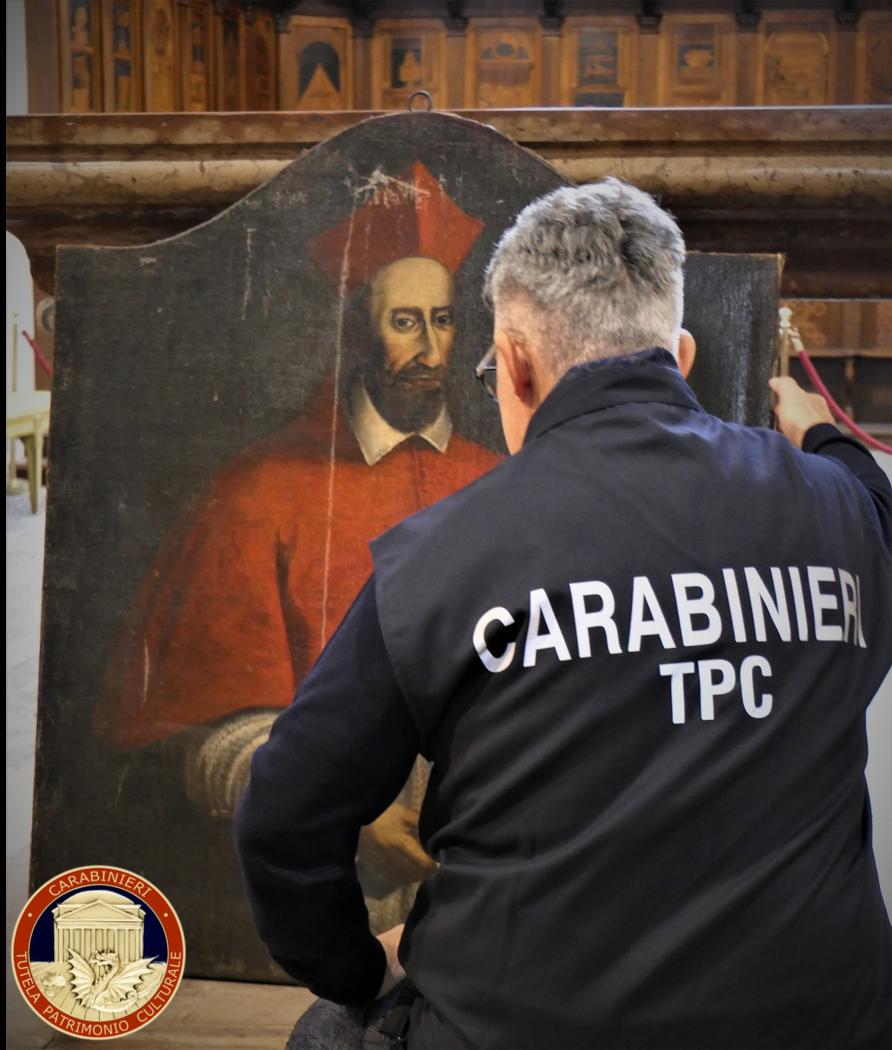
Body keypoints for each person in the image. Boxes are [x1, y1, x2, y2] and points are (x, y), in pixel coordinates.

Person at [235, 178, 892, 1050]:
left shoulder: (442, 557)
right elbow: (876, 506)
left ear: (512, 361)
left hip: (527, 1025)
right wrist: (822, 433)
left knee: (327, 1030)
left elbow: (282, 816)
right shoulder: (837, 511)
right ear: (680, 356)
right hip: (832, 1023)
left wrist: (360, 970)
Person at [95, 162, 500, 931]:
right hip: (326, 905)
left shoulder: (500, 480)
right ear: (357, 329)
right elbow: (198, 732)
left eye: (443, 320)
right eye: (405, 321)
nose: (431, 348)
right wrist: (338, 812)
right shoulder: (259, 490)